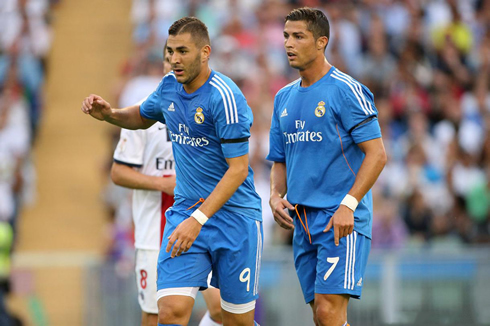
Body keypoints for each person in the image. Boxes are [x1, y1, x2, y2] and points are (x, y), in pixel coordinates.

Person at [82, 17, 262, 326]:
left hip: (234, 218)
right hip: (184, 215)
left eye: (183, 51)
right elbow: (141, 116)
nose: (174, 59)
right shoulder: (168, 87)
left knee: (234, 320)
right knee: (169, 312)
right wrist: (110, 115)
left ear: (205, 53)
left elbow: (238, 170)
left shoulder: (225, 97)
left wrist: (199, 220)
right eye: (170, 51)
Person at [267, 8, 387, 326]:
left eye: (298, 36)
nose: (288, 44)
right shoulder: (282, 98)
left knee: (328, 312)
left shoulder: (345, 90)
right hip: (303, 221)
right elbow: (279, 159)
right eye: (285, 36)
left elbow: (377, 155)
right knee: (323, 318)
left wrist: (349, 204)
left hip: (340, 218)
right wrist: (275, 195)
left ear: (321, 42)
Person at [110, 50, 222, 326]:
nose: (176, 63)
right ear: (163, 66)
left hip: (199, 226)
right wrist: (163, 184)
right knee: (156, 315)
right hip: (154, 234)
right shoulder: (140, 115)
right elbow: (118, 172)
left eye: (183, 55)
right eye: (170, 57)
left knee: (222, 310)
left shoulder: (208, 110)